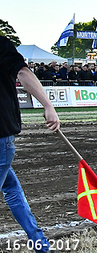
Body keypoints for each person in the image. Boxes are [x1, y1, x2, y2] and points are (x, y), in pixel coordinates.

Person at [1, 35, 60, 252]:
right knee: (12, 190)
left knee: (12, 189)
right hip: (1, 137)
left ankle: (41, 246)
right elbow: (23, 72)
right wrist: (48, 105)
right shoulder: (2, 44)